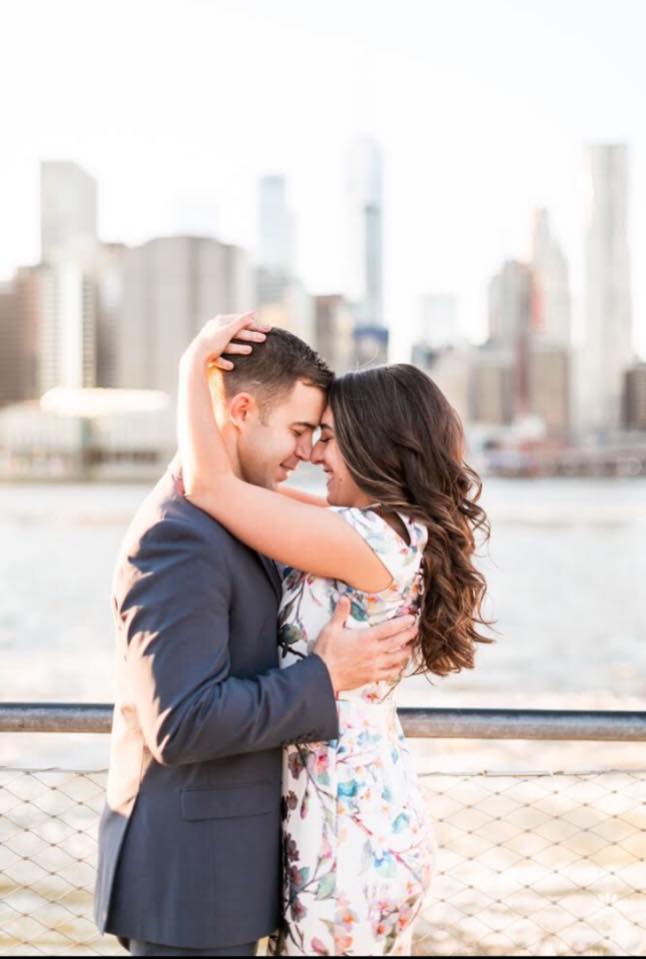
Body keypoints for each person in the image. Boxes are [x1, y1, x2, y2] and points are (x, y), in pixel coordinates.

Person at [94, 316, 418, 957]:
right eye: (299, 431)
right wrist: (324, 678)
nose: (306, 453)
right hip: (194, 885)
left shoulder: (241, 513)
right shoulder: (180, 535)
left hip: (240, 872)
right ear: (242, 410)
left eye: (319, 436)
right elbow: (181, 722)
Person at [178, 313, 491, 956]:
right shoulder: (384, 528)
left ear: (375, 446)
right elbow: (244, 490)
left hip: (349, 837)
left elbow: (208, 486)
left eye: (328, 438)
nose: (315, 454)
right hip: (365, 817)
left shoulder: (370, 539)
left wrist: (193, 369)